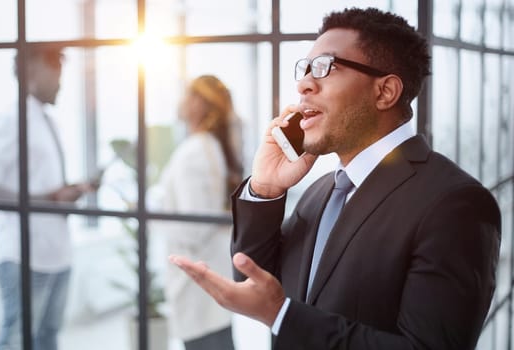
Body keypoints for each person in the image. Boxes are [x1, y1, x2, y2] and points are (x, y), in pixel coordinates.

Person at [169, 7, 501, 350]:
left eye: (325, 67)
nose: (303, 84)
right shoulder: (320, 191)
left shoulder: (455, 203)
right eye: (305, 69)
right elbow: (255, 280)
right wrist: (265, 189)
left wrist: (283, 315)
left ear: (385, 92)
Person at [0, 46, 96, 350]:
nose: (60, 83)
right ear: (32, 72)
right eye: (55, 73)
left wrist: (70, 191)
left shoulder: (46, 120)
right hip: (25, 256)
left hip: (57, 254)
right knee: (17, 339)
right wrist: (46, 198)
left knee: (47, 339)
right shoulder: (9, 120)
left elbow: (43, 187)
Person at [150, 75, 242, 350]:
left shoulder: (194, 152)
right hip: (210, 283)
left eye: (189, 94)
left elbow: (193, 227)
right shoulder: (210, 148)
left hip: (198, 286)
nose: (182, 100)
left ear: (200, 104)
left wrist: (151, 214)